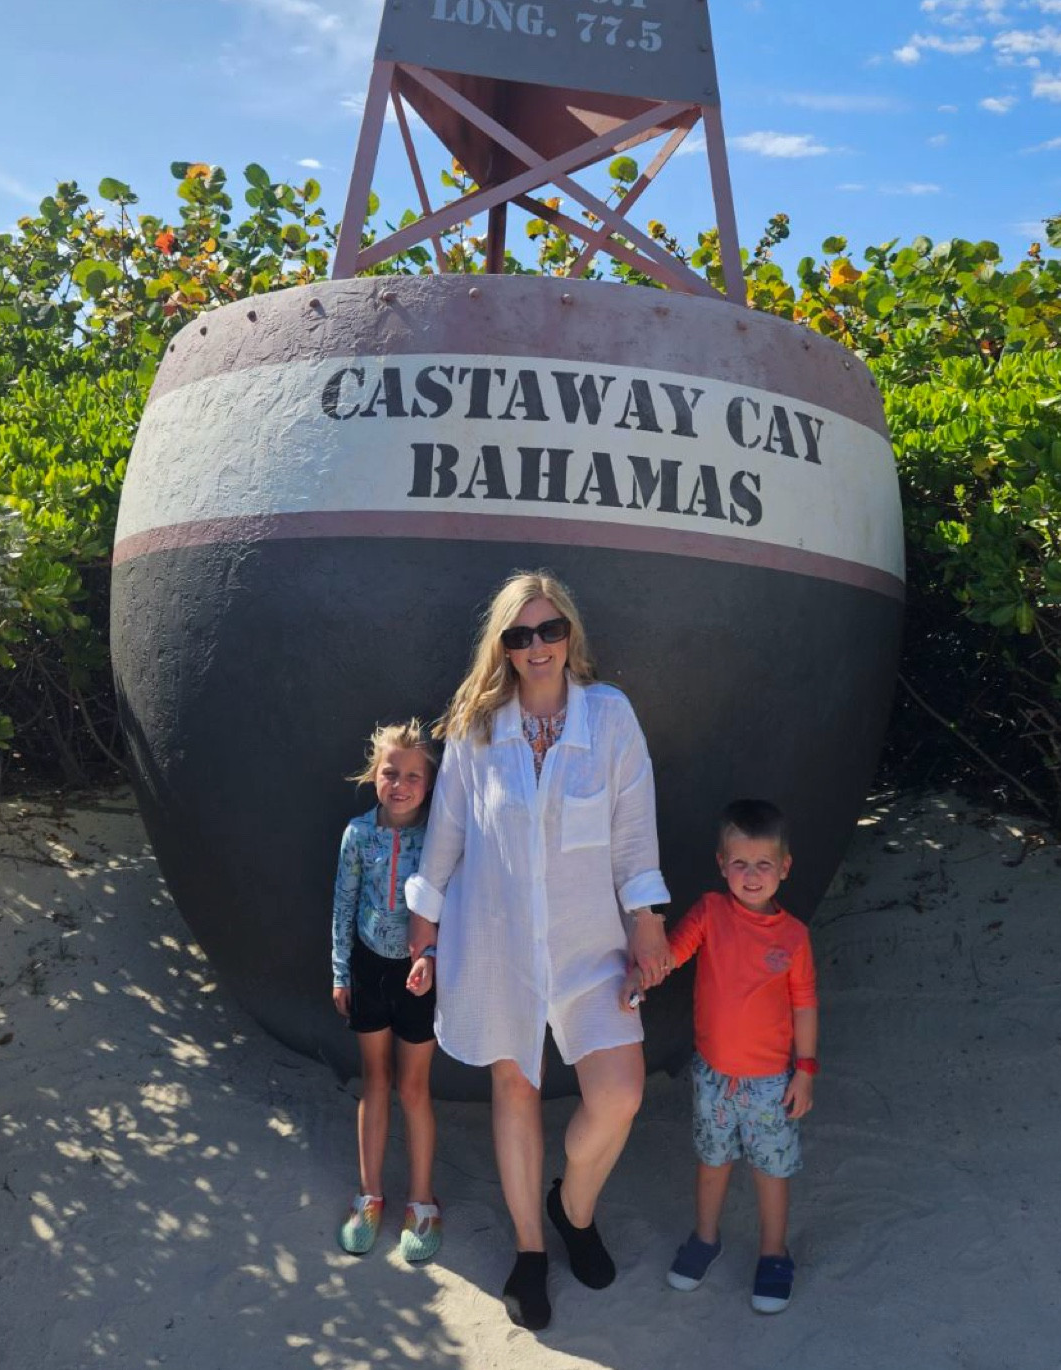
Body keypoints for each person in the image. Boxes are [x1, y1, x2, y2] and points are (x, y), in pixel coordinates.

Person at [406, 571, 672, 1332]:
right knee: (515, 1088)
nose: (537, 646)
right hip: (497, 941)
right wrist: (424, 919)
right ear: (503, 646)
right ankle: (529, 1249)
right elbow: (448, 831)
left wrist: (646, 918)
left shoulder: (609, 717)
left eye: (549, 629)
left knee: (618, 1095)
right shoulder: (476, 727)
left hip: (591, 943)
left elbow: (631, 832)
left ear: (569, 634)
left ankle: (572, 1209)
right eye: (519, 635)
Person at [623, 798, 818, 1314]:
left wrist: (805, 1070)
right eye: (740, 863)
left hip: (772, 1082)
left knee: (771, 1172)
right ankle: (705, 1239)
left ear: (784, 867)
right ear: (721, 864)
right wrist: (642, 972)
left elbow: (804, 1005)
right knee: (712, 1162)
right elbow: (674, 951)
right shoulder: (710, 911)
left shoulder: (794, 937)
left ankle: (774, 1255)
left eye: (763, 864)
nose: (751, 876)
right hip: (713, 1077)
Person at [331, 718, 442, 1263]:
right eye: (390, 773)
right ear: (374, 775)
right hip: (369, 969)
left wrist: (433, 959)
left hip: (420, 976)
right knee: (375, 1080)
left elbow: (452, 904)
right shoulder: (357, 835)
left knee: (413, 1088)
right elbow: (344, 904)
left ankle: (422, 1201)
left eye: (413, 776)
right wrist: (339, 972)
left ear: (430, 782)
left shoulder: (440, 837)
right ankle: (369, 1195)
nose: (400, 785)